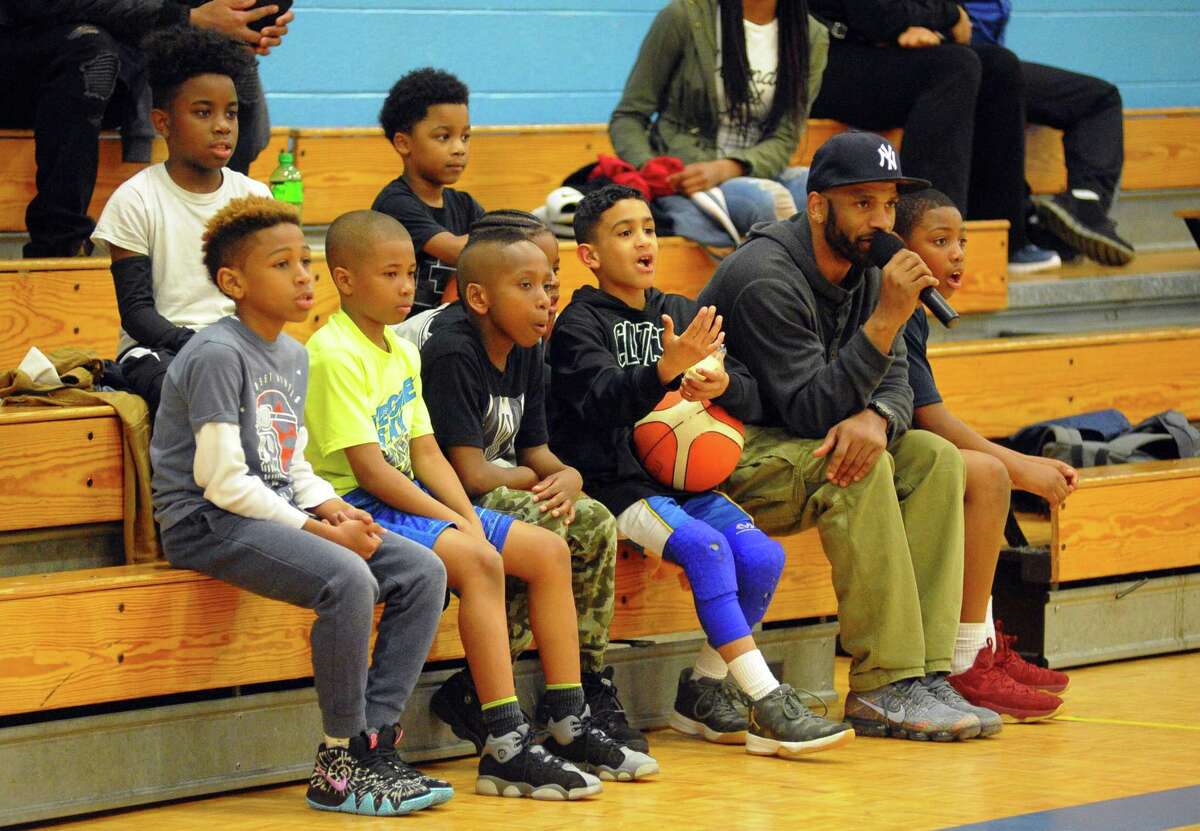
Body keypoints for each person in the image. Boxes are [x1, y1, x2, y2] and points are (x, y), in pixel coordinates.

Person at [303, 210, 656, 797]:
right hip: (355, 501)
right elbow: (370, 470)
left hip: (410, 495)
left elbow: (426, 453)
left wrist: (465, 516)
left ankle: (567, 719)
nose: (405, 287)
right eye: (390, 274)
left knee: (547, 552)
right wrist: (452, 520)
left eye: (410, 273)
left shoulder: (399, 351)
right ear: (344, 280)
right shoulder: (332, 352)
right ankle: (504, 740)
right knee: (480, 560)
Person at [150, 196, 450, 816]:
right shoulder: (215, 353)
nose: (303, 277)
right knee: (347, 577)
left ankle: (373, 743)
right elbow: (222, 481)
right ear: (234, 282)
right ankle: (339, 762)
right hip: (205, 520)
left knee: (423, 570)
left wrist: (333, 508)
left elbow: (289, 463)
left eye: (305, 263)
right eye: (281, 264)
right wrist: (321, 533)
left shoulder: (291, 354)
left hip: (269, 508)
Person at [698, 132, 996, 741]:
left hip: (803, 436)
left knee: (937, 458)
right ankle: (884, 684)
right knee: (858, 469)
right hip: (727, 452)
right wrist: (887, 320)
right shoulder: (765, 276)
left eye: (888, 205)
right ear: (817, 207)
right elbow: (809, 410)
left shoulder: (866, 269)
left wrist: (878, 416)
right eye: (862, 204)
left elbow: (898, 379)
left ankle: (925, 673)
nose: (881, 222)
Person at [549, 184, 855, 759]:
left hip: (689, 482)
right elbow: (598, 399)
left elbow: (754, 392)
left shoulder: (684, 313)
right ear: (589, 255)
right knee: (708, 550)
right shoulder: (578, 325)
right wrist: (662, 371)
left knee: (764, 557)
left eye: (648, 229)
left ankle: (702, 690)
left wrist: (723, 384)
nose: (643, 241)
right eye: (624, 232)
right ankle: (767, 700)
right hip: (618, 487)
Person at [419, 221, 640, 753]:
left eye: (547, 284)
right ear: (479, 298)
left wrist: (569, 476)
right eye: (527, 286)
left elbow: (535, 449)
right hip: (440, 495)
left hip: (496, 483)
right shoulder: (453, 351)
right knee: (556, 524)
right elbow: (470, 474)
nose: (545, 298)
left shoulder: (526, 346)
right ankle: (482, 691)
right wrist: (540, 480)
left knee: (592, 518)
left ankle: (582, 686)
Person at [894, 186, 1071, 718]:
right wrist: (1024, 469)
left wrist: (1024, 464)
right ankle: (968, 658)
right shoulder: (893, 308)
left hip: (903, 446)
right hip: (867, 450)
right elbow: (932, 420)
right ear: (900, 249)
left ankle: (982, 641)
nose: (957, 254)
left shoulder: (916, 313)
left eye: (962, 242)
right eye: (940, 241)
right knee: (989, 476)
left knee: (987, 474)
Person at [0, 0, 289, 259]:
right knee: (92, 50)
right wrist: (188, 18)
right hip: (26, 56)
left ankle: (222, 234)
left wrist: (247, 22)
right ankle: (60, 244)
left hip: (117, 61)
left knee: (227, 58)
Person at [90, 26, 270, 419]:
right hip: (156, 350)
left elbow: (265, 295)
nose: (223, 125)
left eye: (231, 113)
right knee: (194, 386)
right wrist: (199, 344)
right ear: (162, 122)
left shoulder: (255, 197)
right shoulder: (136, 198)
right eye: (203, 113)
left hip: (236, 345)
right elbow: (137, 313)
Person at [806, 0, 1060, 272]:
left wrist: (933, 28)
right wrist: (946, 15)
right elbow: (876, 15)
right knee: (954, 67)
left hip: (885, 48)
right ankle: (927, 240)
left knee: (999, 66)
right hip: (828, 55)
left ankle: (1005, 242)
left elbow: (959, 27)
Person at [609, 0, 829, 247]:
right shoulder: (684, 16)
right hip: (689, 173)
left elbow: (785, 137)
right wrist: (651, 169)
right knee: (765, 200)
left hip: (756, 168)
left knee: (825, 191)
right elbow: (628, 116)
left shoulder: (812, 35)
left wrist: (729, 167)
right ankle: (772, 271)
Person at [964, 0, 1134, 266]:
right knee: (1099, 99)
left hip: (993, 67)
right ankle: (1027, 222)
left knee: (1098, 98)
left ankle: (1082, 203)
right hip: (959, 66)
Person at [373, 67, 484, 316]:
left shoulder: (465, 204)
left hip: (449, 330)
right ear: (404, 143)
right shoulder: (395, 204)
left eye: (465, 137)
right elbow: (460, 251)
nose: (459, 148)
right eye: (444, 137)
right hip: (402, 332)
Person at [396, 210, 562, 349]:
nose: (554, 281)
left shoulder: (530, 324)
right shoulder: (444, 339)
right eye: (527, 282)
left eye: (554, 270)